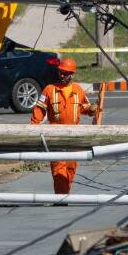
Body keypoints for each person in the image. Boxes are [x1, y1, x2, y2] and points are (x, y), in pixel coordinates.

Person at [30, 57, 95, 194]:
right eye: (61, 72)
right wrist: (32, 129)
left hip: (73, 137)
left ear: (72, 74)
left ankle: (65, 195)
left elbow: (84, 107)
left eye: (66, 73)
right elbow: (39, 110)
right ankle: (61, 197)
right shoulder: (49, 89)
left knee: (71, 167)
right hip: (55, 136)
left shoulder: (78, 90)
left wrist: (92, 110)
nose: (62, 75)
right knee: (58, 168)